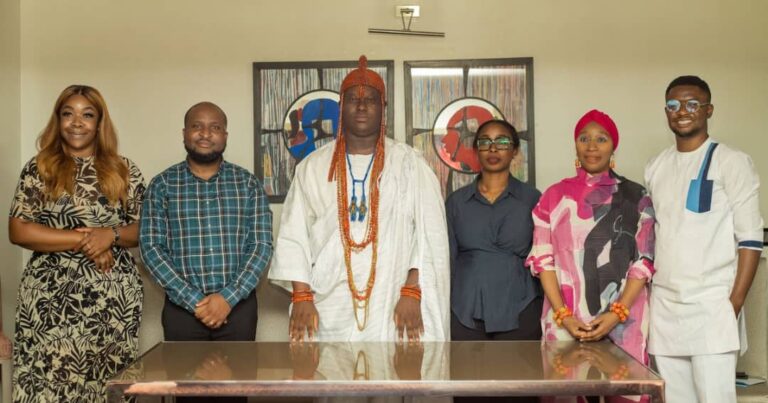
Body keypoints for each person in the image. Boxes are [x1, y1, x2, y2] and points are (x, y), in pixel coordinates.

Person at [269, 55, 450, 342]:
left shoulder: (410, 164)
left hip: (395, 297)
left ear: (383, 108)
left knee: (395, 377)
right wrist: (301, 295)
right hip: (328, 304)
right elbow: (294, 236)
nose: (362, 106)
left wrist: (413, 290)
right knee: (328, 380)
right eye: (353, 99)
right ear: (341, 107)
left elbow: (430, 236)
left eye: (371, 100)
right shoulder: (312, 167)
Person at [8, 85, 145, 402]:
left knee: (106, 388)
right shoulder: (40, 168)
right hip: (49, 303)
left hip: (112, 304)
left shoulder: (124, 170)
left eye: (87, 115)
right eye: (68, 114)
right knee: (48, 387)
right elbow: (19, 230)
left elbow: (144, 229)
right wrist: (86, 239)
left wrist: (109, 236)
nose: (77, 122)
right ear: (58, 120)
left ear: (99, 123)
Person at [139, 101, 273, 403]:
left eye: (214, 127)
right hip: (182, 312)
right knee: (188, 395)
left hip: (237, 310)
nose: (205, 134)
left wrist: (226, 298)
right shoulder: (162, 185)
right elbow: (151, 248)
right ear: (184, 133)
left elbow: (261, 246)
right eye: (197, 126)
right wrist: (195, 301)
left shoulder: (248, 184)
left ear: (225, 135)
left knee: (234, 394)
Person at [645, 76, 764, 403]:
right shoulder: (656, 166)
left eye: (692, 104)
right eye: (673, 105)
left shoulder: (732, 161)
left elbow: (751, 240)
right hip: (666, 309)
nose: (682, 111)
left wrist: (733, 304)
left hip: (713, 306)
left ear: (708, 110)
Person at [526, 109, 655, 403]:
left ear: (613, 147)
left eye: (601, 138)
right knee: (564, 396)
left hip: (624, 320)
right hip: (565, 320)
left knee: (626, 396)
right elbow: (543, 261)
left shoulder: (637, 196)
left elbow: (644, 262)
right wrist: (564, 317)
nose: (592, 146)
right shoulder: (553, 196)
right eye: (584, 138)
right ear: (575, 145)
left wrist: (616, 313)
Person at [446, 119, 542, 403]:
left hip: (521, 308)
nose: (493, 148)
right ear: (475, 150)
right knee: (469, 393)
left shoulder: (534, 199)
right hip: (465, 311)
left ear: (515, 151)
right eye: (485, 141)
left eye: (502, 142)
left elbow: (545, 259)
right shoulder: (456, 202)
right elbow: (446, 260)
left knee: (519, 393)